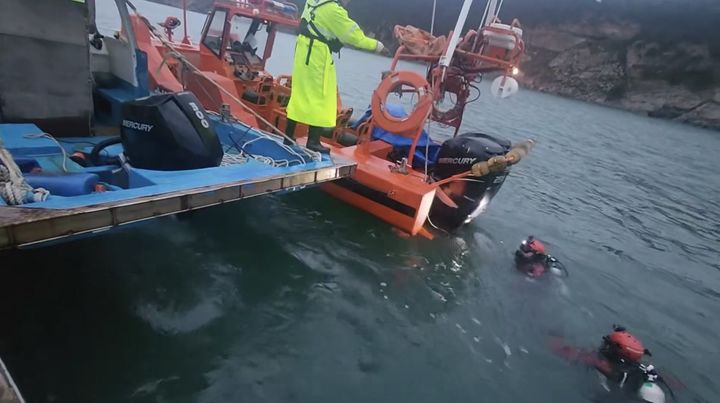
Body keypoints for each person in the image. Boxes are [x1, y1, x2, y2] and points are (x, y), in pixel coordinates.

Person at [285, 0, 386, 153]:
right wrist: (378, 46)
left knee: (299, 92)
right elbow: (354, 37)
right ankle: (313, 142)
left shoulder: (312, 2)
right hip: (317, 56)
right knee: (321, 95)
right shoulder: (333, 10)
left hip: (302, 51)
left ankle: (288, 135)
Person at [551, 325, 674, 403]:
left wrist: (554, 333)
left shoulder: (602, 364)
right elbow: (675, 384)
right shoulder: (645, 369)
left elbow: (561, 351)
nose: (604, 345)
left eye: (608, 344)